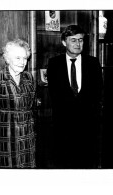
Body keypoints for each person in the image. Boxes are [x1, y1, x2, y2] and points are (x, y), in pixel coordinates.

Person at [47, 25, 103, 168]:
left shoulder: (93, 63)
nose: (78, 44)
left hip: (88, 129)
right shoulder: (54, 64)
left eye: (81, 40)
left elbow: (98, 95)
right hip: (63, 128)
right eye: (73, 40)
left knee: (87, 165)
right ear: (64, 42)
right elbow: (54, 96)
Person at [0, 39, 36, 168]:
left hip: (27, 135)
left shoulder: (29, 78)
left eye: (25, 58)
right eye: (17, 58)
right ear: (7, 59)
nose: (22, 62)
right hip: (4, 136)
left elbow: (31, 106)